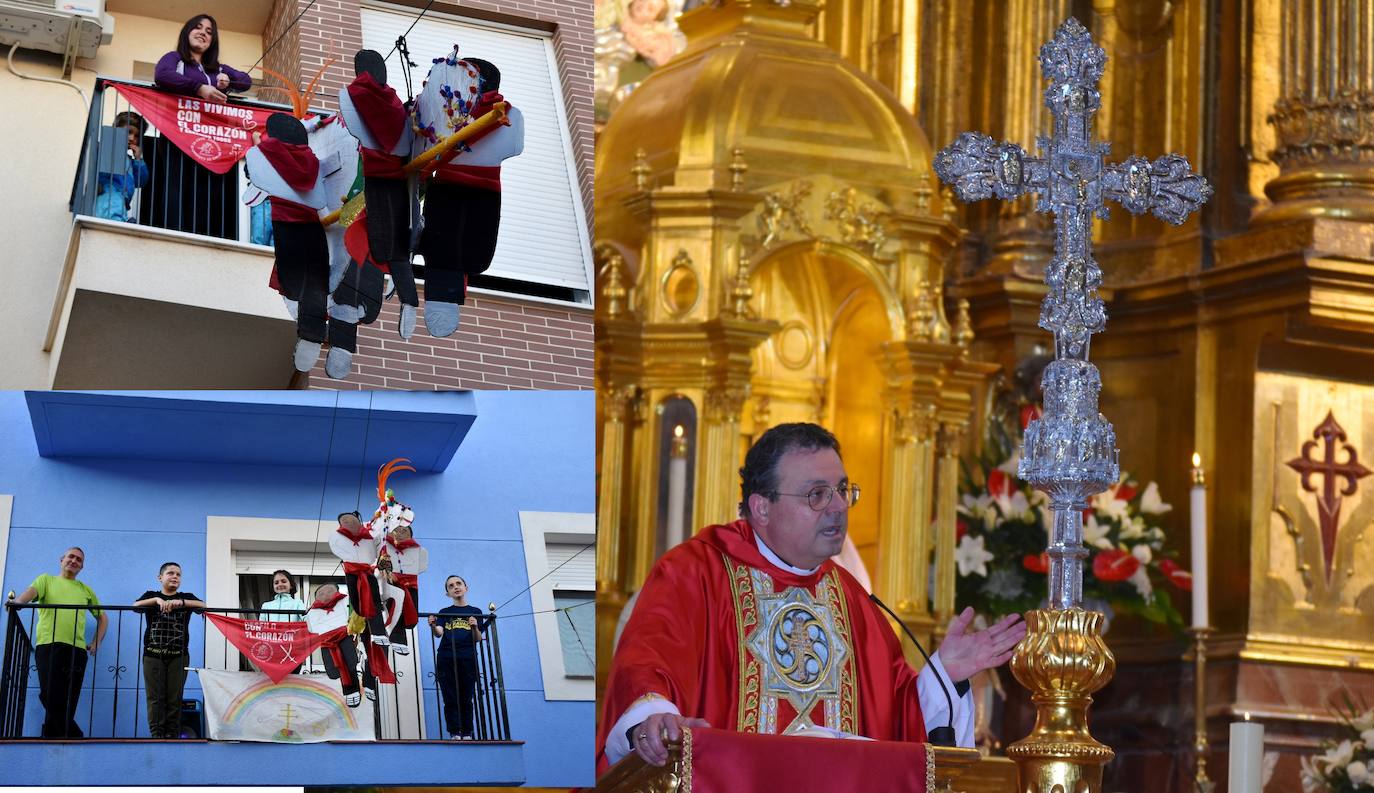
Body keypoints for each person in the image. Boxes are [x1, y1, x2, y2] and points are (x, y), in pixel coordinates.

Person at [596, 423, 1028, 773]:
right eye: (816, 494)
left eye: (842, 490)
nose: (838, 506)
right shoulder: (695, 572)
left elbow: (895, 721)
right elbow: (645, 665)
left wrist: (945, 674)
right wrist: (652, 721)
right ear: (761, 507)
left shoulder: (852, 598)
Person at [8, 547, 108, 738]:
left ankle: (53, 735)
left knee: (70, 698)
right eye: (71, 556)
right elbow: (28, 594)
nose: (74, 561)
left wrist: (96, 642)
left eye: (79, 559)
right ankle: (75, 734)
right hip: (48, 645)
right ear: (62, 560)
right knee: (49, 693)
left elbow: (103, 618)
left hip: (77, 650)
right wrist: (18, 602)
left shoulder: (85, 589)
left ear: (82, 566)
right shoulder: (46, 580)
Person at [132, 562, 205, 738]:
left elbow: (204, 605)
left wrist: (182, 602)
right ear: (160, 577)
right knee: (155, 698)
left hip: (178, 656)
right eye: (170, 573)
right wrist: (158, 601)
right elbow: (135, 606)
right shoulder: (151, 595)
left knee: (174, 698)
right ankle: (157, 736)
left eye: (178, 574)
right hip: (153, 655)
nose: (175, 577)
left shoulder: (185, 596)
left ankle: (172, 735)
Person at [428, 575, 483, 740]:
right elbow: (439, 633)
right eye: (451, 586)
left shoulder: (475, 612)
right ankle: (455, 732)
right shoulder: (444, 613)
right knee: (450, 695)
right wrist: (432, 625)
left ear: (466, 587)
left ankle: (467, 732)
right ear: (448, 593)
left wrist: (474, 626)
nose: (456, 587)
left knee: (466, 695)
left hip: (467, 657)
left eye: (458, 583)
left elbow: (478, 638)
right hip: (446, 657)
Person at [305, 582, 376, 707]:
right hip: (327, 642)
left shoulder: (345, 600)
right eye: (321, 593)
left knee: (350, 664)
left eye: (329, 591)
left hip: (345, 635)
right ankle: (350, 691)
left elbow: (354, 614)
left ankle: (353, 691)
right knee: (334, 669)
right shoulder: (312, 612)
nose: (325, 594)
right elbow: (310, 629)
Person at [153, 14, 251, 103]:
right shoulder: (175, 57)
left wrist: (228, 80)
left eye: (209, 32)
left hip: (212, 122)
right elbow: (162, 74)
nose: (203, 33)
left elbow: (246, 82)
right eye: (197, 28)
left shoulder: (219, 69)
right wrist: (199, 89)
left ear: (212, 42)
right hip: (179, 121)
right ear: (187, 32)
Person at [94, 111, 149, 222]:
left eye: (137, 136)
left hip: (123, 201)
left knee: (119, 217)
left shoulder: (130, 161)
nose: (132, 138)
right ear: (116, 129)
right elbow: (96, 169)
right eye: (129, 132)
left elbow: (141, 180)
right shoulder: (106, 148)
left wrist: (138, 159)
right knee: (112, 217)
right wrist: (97, 184)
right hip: (108, 194)